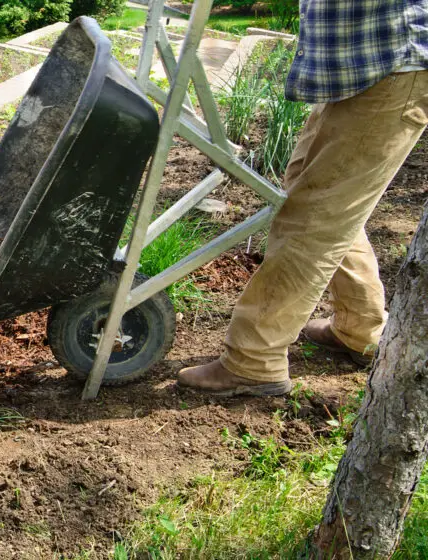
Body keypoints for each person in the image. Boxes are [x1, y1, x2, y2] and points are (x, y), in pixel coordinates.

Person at [176, 0, 428, 396]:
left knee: (314, 217)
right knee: (317, 196)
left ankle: (253, 360)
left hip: (391, 63)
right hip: (364, 67)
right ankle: (359, 328)